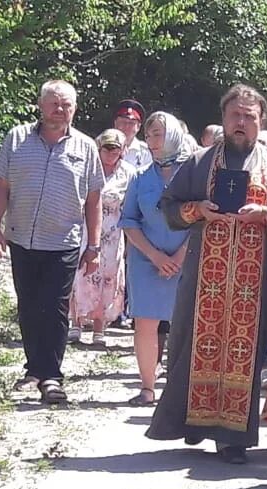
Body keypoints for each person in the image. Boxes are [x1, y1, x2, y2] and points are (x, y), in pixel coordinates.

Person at [145, 84, 267, 463]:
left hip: (252, 282)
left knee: (247, 351)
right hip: (204, 278)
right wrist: (198, 210)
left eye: (249, 117)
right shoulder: (201, 161)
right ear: (224, 119)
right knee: (194, 345)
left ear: (261, 122)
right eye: (235, 115)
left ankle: (232, 438)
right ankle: (195, 423)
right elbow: (170, 206)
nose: (241, 123)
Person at [0, 80, 105, 404]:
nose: (59, 110)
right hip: (21, 238)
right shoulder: (17, 139)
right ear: (40, 106)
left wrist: (93, 247)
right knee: (28, 306)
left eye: (66, 104)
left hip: (63, 241)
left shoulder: (86, 147)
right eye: (53, 103)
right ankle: (33, 370)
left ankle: (51, 377)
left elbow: (94, 200)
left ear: (74, 109)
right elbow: (1, 187)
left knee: (54, 307)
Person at [119, 112, 192, 406]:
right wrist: (155, 256)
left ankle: (179, 390)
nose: (152, 141)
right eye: (148, 135)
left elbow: (201, 220)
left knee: (185, 325)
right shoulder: (140, 176)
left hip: (186, 259)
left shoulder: (192, 174)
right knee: (145, 324)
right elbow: (128, 220)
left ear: (173, 134)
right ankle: (147, 388)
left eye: (158, 134)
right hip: (146, 260)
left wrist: (178, 257)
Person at [69, 129, 137, 346]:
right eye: (106, 148)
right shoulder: (89, 168)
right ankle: (76, 323)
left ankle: (100, 328)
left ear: (122, 151)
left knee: (108, 278)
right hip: (86, 229)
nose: (110, 152)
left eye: (115, 148)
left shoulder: (129, 173)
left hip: (114, 234)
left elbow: (131, 207)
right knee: (80, 275)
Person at [114, 99, 151, 168]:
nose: (127, 126)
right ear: (115, 123)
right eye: (123, 122)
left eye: (131, 123)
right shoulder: (103, 147)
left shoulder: (146, 152)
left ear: (138, 127)